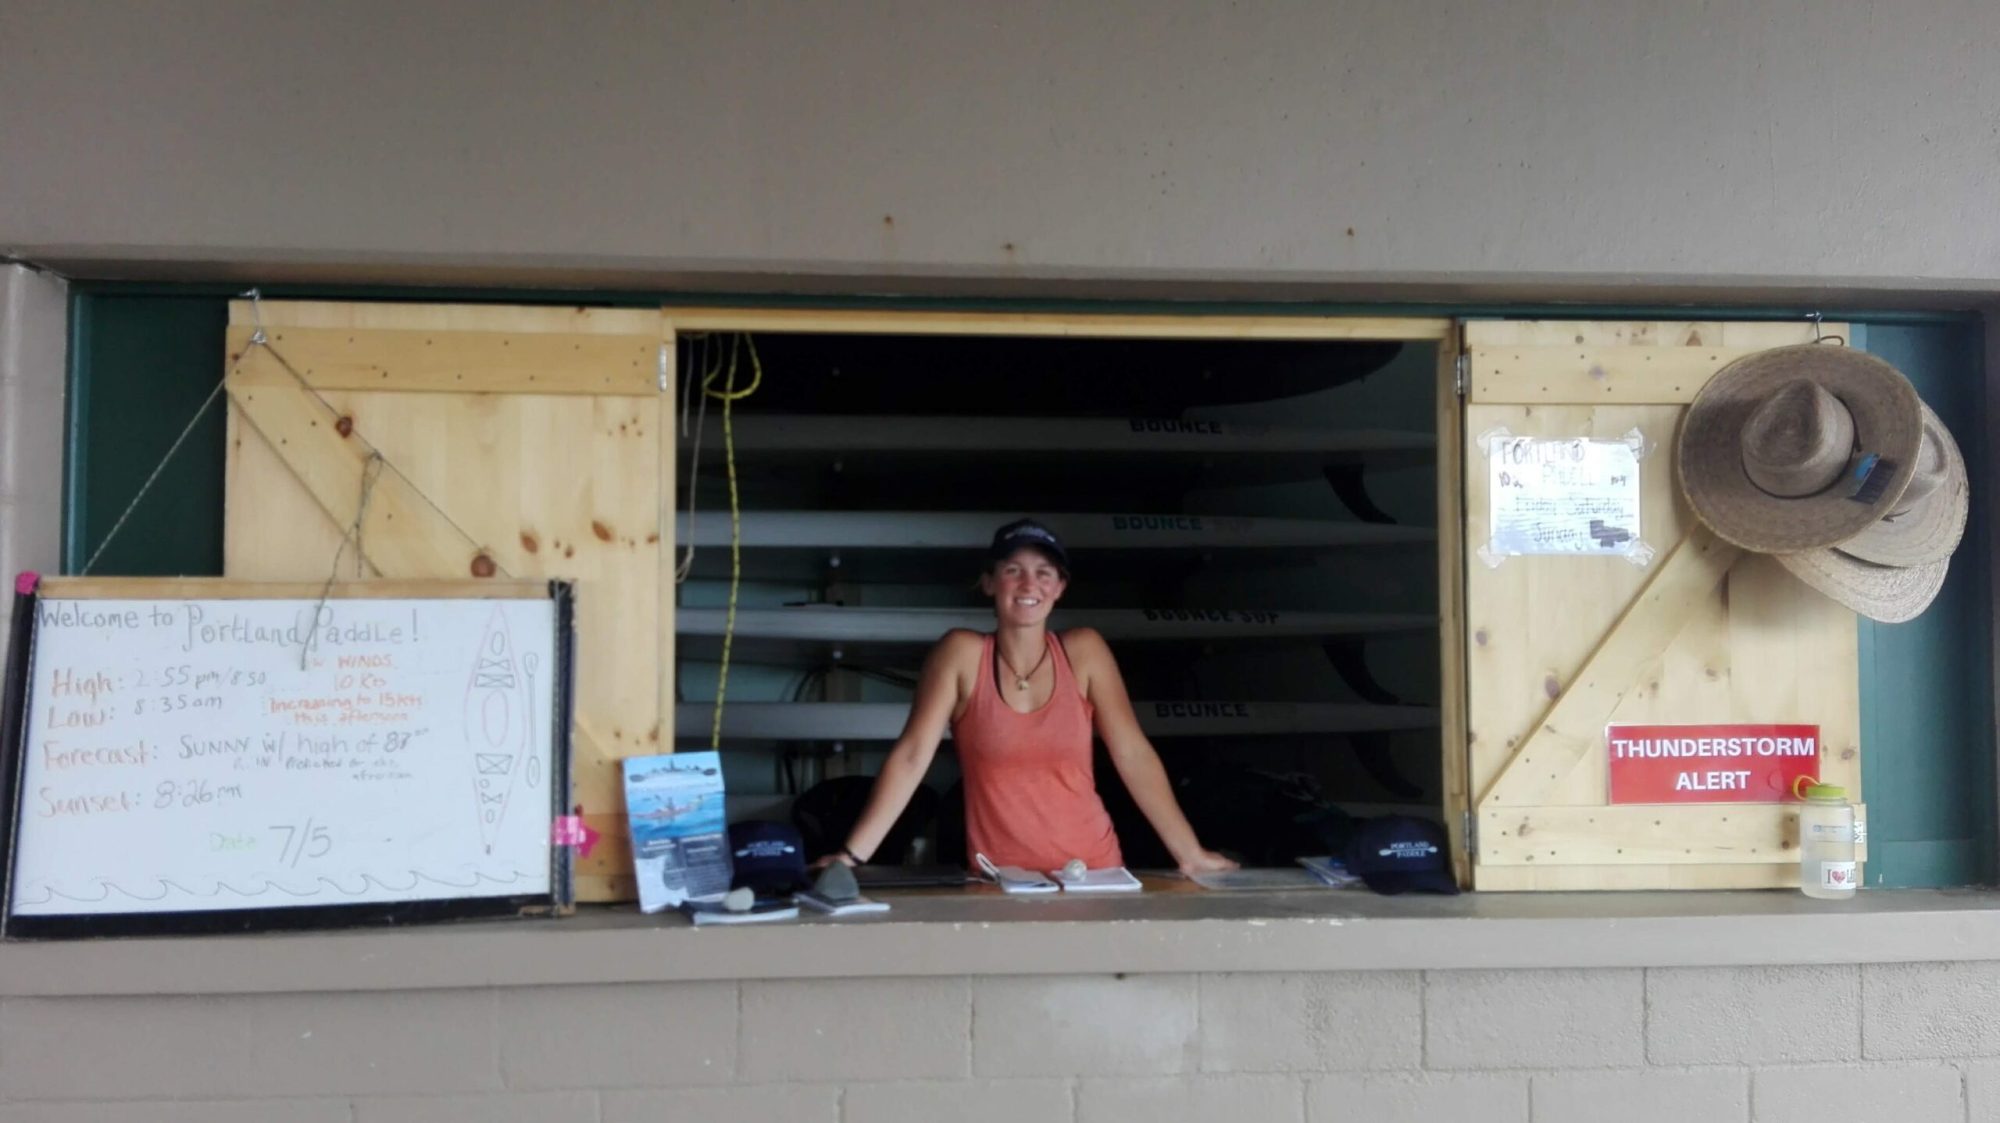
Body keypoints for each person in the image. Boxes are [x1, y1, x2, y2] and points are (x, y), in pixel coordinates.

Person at [817, 518, 1238, 877]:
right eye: (1013, 569)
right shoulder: (960, 654)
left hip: (1092, 869)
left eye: (1044, 572)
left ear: (1059, 588)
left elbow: (1132, 753)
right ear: (988, 582)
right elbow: (911, 757)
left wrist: (1190, 853)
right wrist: (851, 858)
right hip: (999, 879)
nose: (1029, 583)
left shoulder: (1084, 651)